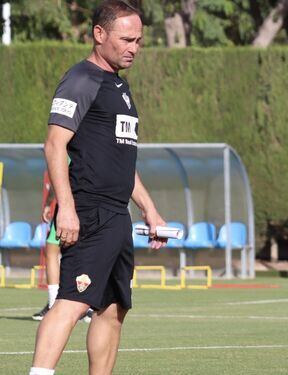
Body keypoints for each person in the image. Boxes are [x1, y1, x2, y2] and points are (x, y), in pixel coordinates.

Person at [30, 2, 167, 374]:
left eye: (139, 40)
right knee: (72, 303)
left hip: (116, 215)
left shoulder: (119, 86)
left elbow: (121, 162)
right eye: (126, 39)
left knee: (113, 309)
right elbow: (54, 145)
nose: (134, 48)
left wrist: (149, 210)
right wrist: (68, 209)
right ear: (99, 34)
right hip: (89, 212)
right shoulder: (81, 80)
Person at [32, 170, 93, 323]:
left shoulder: (65, 148)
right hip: (95, 206)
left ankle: (55, 303)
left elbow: (57, 176)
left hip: (71, 207)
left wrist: (48, 204)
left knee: (52, 249)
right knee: (87, 252)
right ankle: (88, 305)